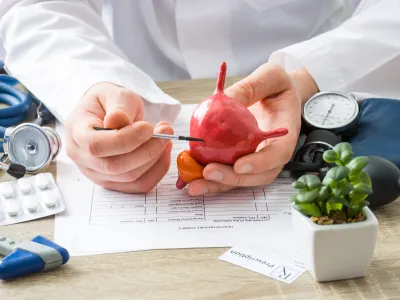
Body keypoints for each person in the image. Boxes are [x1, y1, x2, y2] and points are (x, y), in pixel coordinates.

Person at [0, 1, 399, 196]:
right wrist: (86, 84)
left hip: (324, 75)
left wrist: (308, 74)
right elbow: (31, 5)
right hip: (132, 75)